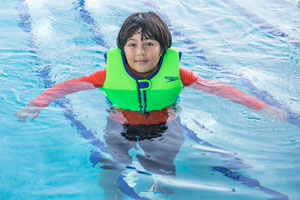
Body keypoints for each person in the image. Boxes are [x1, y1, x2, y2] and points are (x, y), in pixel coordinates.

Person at [15, 11, 288, 199]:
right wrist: (38, 103)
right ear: (122, 48)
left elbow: (219, 88)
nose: (140, 52)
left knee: (164, 165)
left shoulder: (179, 74)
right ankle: (111, 194)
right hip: (119, 126)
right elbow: (68, 85)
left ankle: (161, 185)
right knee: (113, 165)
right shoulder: (108, 75)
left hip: (165, 127)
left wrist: (260, 106)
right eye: (132, 45)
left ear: (163, 47)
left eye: (148, 44)